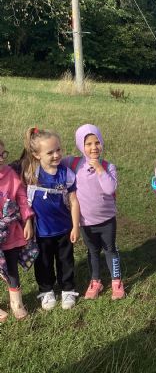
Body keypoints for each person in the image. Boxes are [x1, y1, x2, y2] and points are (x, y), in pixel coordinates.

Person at [21, 128, 80, 310]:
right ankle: (46, 291)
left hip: (64, 229)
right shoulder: (31, 174)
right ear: (36, 155)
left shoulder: (66, 174)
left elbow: (74, 201)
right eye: (50, 152)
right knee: (43, 263)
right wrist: (28, 223)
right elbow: (26, 202)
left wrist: (75, 226)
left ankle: (67, 289)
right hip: (41, 231)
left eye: (58, 150)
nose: (56, 155)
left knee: (66, 261)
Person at [64, 124, 124, 300]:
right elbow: (53, 160)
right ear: (80, 145)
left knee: (110, 249)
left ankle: (116, 281)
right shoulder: (73, 163)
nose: (94, 147)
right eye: (88, 144)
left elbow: (109, 188)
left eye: (97, 142)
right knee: (92, 251)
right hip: (85, 222)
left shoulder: (108, 166)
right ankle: (95, 281)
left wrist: (99, 169)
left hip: (107, 220)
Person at [0, 140, 35, 320]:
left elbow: (22, 197)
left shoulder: (10, 174)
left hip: (11, 232)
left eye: (3, 154)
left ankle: (17, 303)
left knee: (12, 268)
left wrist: (27, 220)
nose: (1, 158)